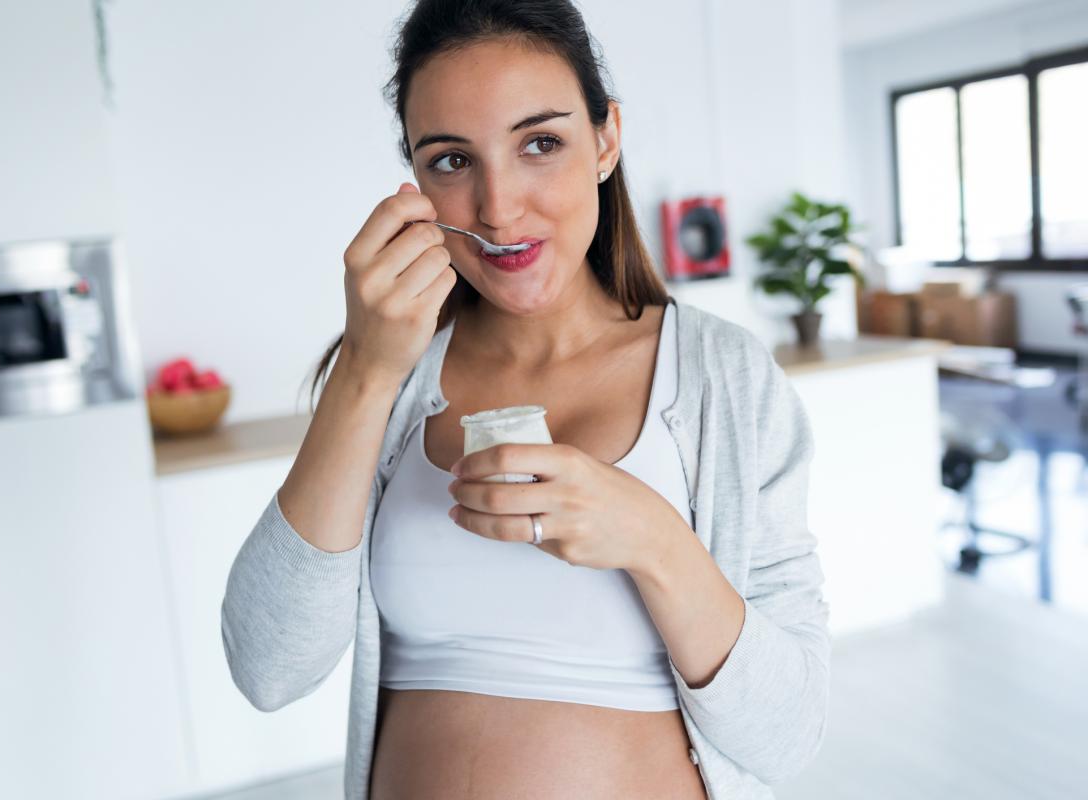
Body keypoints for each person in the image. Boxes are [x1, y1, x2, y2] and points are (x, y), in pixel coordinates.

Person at [221, 1, 829, 797]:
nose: (499, 208)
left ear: (605, 140)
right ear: (415, 181)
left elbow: (788, 736)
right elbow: (268, 670)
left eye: (540, 143)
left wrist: (653, 538)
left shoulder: (726, 378)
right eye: (451, 160)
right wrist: (365, 370)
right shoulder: (392, 378)